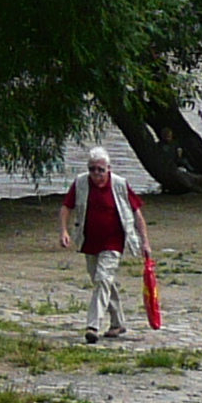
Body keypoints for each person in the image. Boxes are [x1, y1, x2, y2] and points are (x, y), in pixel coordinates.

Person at [56, 147, 153, 344]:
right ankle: (118, 323)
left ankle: (93, 325)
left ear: (108, 168)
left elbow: (136, 214)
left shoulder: (120, 185)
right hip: (89, 241)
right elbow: (66, 207)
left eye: (100, 170)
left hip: (113, 241)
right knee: (102, 281)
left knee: (102, 280)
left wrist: (145, 242)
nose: (96, 174)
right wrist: (64, 231)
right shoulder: (81, 183)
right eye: (92, 169)